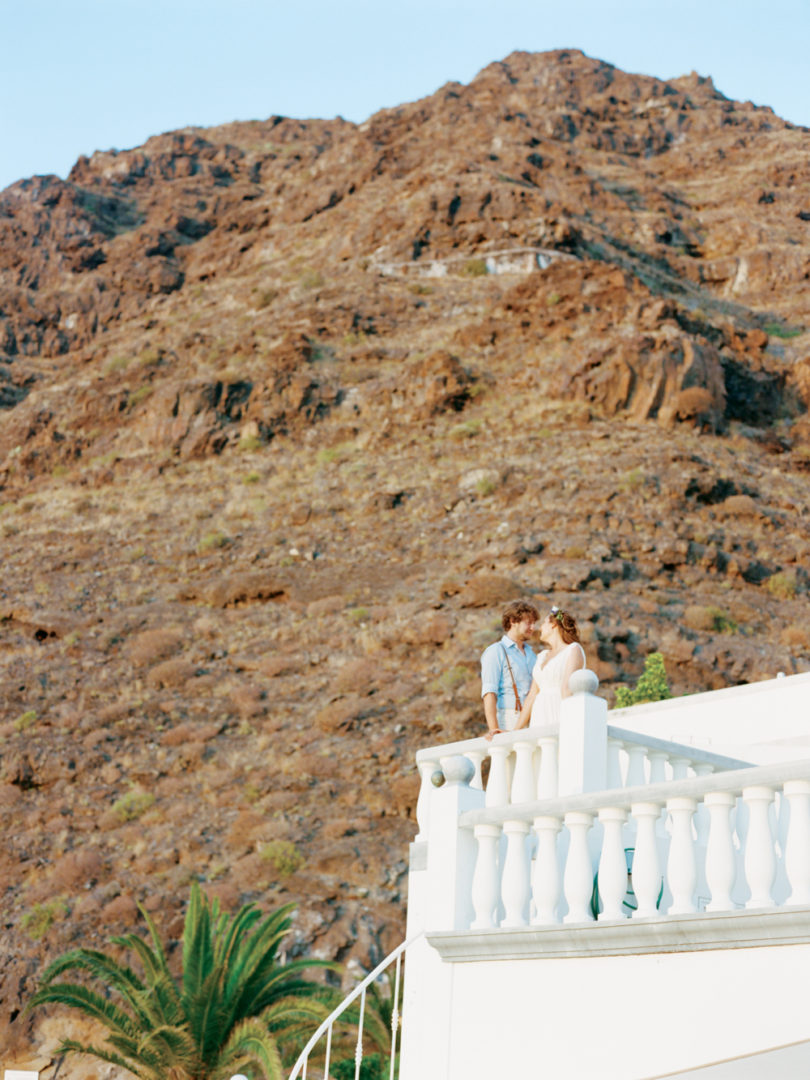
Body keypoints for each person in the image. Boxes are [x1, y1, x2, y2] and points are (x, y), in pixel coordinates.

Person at [516, 606, 586, 730]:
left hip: (559, 710)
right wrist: (515, 730)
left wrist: (571, 724)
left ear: (553, 624)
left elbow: (567, 690)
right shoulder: (541, 656)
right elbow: (532, 695)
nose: (540, 628)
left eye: (543, 623)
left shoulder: (573, 649)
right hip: (539, 714)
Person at [480, 599, 540, 738]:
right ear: (513, 621)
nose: (533, 627)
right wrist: (494, 729)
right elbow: (489, 692)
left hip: (534, 720)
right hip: (508, 719)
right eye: (528, 622)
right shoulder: (496, 651)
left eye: (534, 623)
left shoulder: (532, 655)